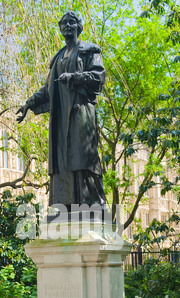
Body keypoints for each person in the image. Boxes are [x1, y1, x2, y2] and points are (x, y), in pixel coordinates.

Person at [16, 11, 106, 212]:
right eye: (64, 23)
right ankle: (64, 208)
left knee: (82, 159)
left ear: (79, 27)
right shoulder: (57, 58)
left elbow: (98, 77)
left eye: (72, 22)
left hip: (80, 114)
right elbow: (48, 89)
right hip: (60, 119)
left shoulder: (88, 51)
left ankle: (90, 206)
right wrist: (29, 103)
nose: (67, 26)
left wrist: (75, 77)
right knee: (62, 162)